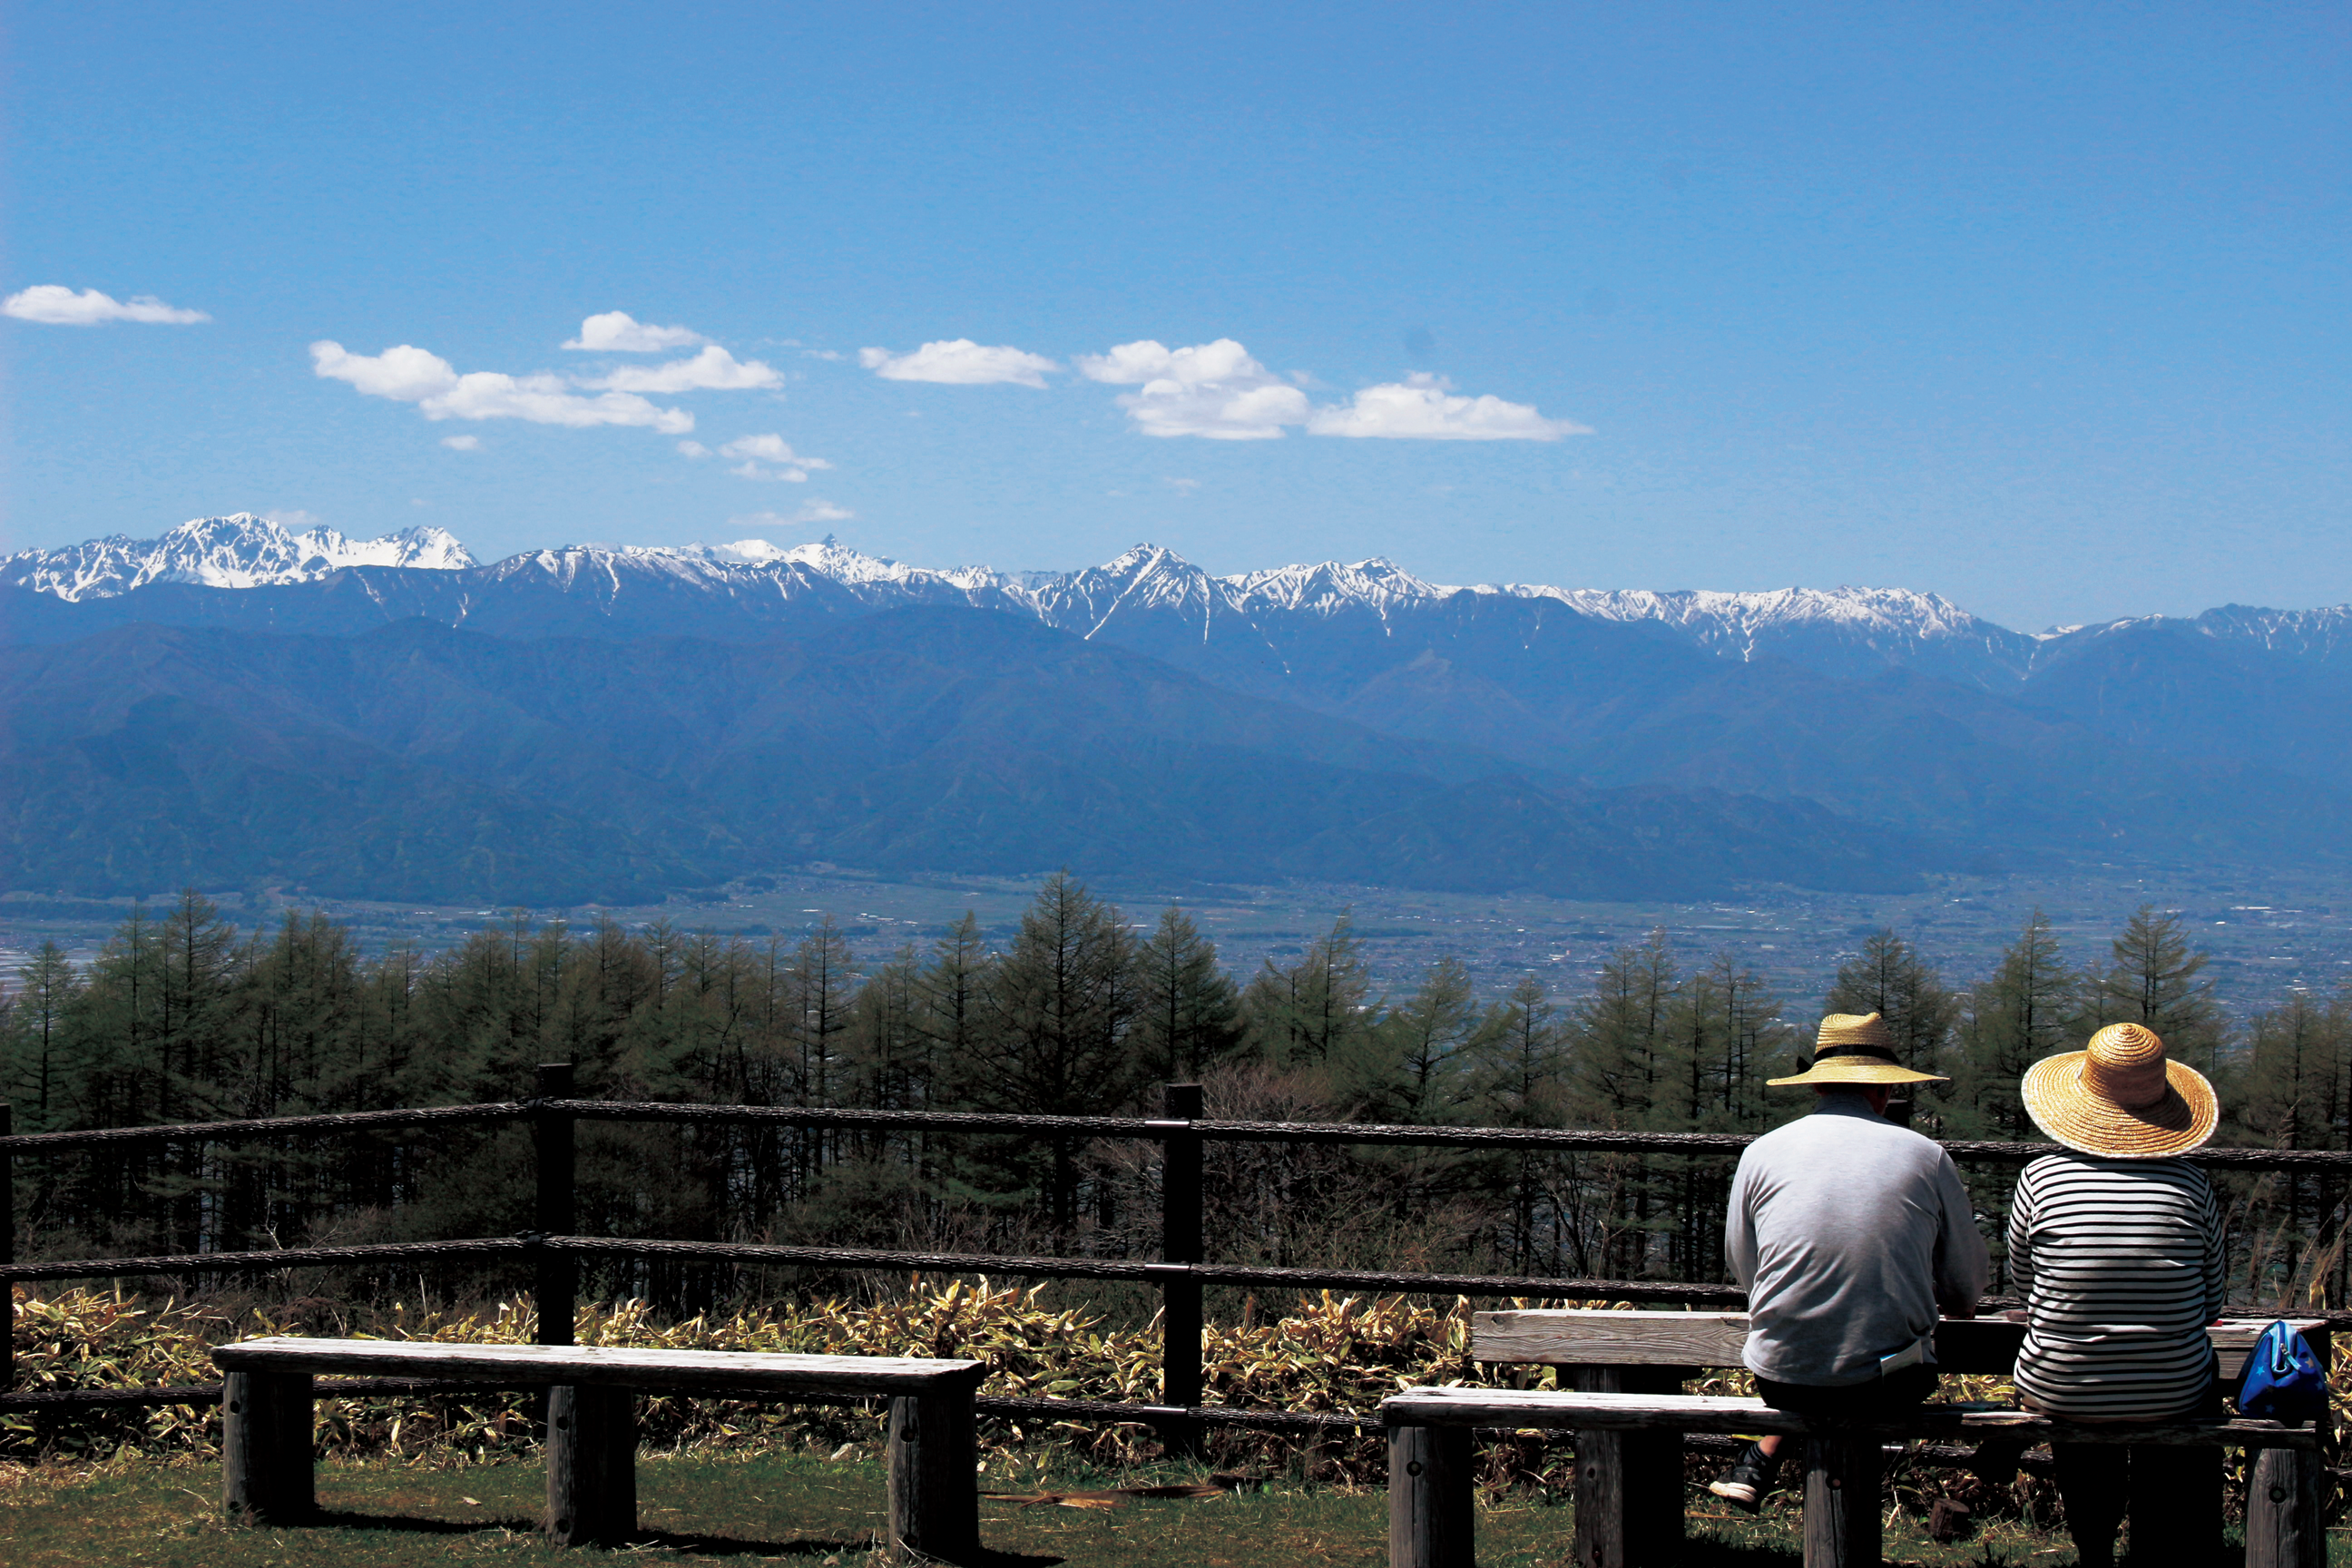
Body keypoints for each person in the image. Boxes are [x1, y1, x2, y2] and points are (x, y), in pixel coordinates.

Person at [1708, 1012, 1990, 1512]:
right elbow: (1964, 1284)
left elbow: (1744, 1263)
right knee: (1870, 1374)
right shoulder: (1925, 1155)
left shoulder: (1761, 1152)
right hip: (1889, 1384)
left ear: (1816, 1087)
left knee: (1824, 1387)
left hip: (1781, 1374)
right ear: (1883, 1091)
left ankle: (1760, 1460)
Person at [2009, 1022, 2224, 1568]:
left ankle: (2094, 1549)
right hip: (2173, 1386)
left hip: (2062, 1381)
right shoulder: (2192, 1185)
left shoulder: (2040, 1178)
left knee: (2080, 1401)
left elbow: (2025, 1284)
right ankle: (2164, 1548)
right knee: (2179, 1395)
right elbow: (2212, 1302)